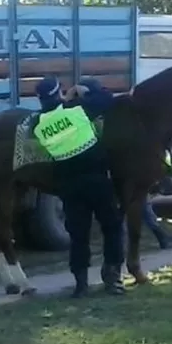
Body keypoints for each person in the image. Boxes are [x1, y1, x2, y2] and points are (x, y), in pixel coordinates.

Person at [33, 76, 124, 296]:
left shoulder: (39, 125)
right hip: (97, 180)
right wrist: (80, 92)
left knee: (78, 235)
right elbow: (108, 98)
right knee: (112, 227)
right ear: (59, 93)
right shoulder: (76, 110)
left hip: (69, 186)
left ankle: (81, 284)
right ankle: (112, 279)